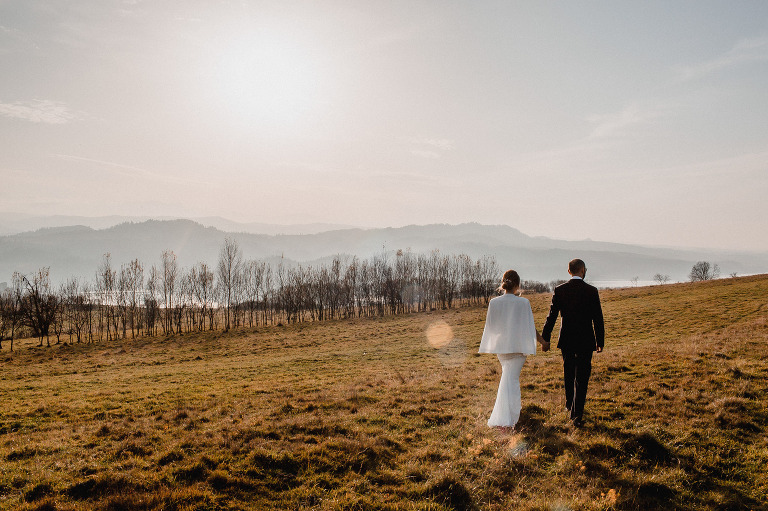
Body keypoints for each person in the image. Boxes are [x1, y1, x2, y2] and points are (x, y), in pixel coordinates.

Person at [479, 270, 549, 430]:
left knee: (508, 378)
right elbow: (530, 327)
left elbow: (492, 328)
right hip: (518, 349)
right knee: (511, 379)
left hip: (502, 349)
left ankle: (507, 415)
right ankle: (508, 418)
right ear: (518, 285)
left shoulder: (494, 303)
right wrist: (543, 342)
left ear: (503, 283)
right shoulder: (523, 303)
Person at [542, 258, 604, 427]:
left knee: (569, 372)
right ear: (583, 271)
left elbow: (552, 316)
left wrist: (545, 339)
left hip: (567, 339)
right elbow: (598, 318)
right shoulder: (592, 291)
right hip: (586, 339)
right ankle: (576, 415)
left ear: (569, 271)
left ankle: (570, 405)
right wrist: (600, 341)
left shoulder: (560, 290)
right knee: (582, 376)